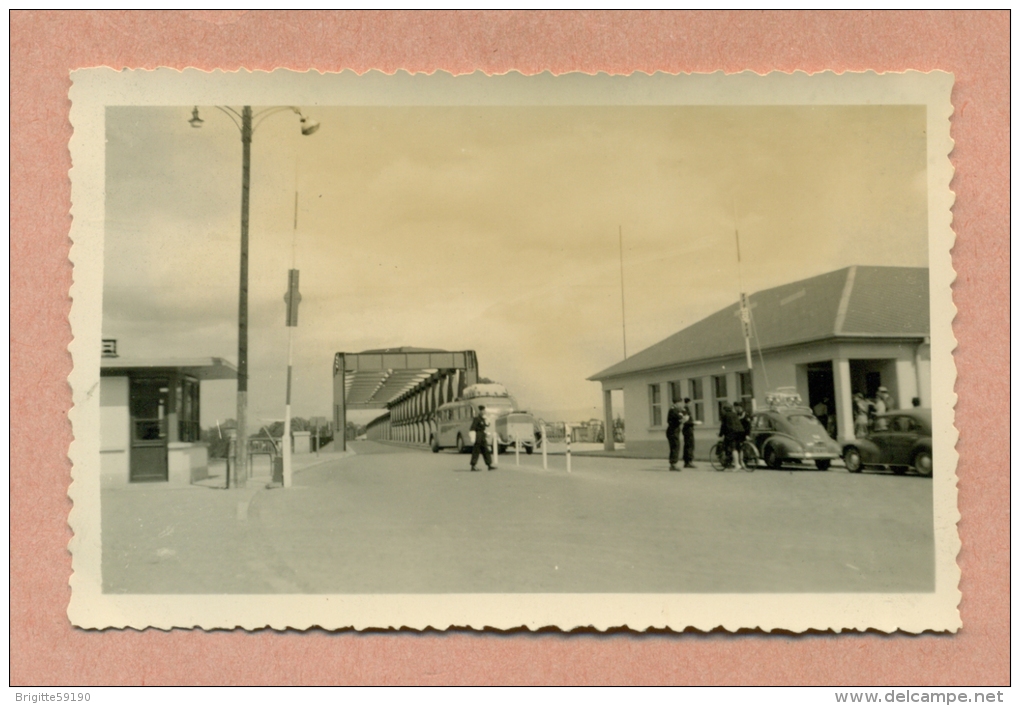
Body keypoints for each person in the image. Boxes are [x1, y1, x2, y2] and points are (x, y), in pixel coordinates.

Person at [469, 405, 495, 471]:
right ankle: (473, 465)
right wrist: (473, 437)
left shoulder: (483, 419)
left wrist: (488, 420)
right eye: (482, 410)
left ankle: (489, 465)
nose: (484, 412)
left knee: (486, 450)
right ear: (480, 411)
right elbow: (472, 428)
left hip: (482, 436)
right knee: (476, 451)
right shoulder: (477, 419)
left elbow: (486, 425)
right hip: (478, 436)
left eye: (484, 410)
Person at [717, 402, 740, 470]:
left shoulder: (725, 415)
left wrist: (720, 434)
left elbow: (723, 426)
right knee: (737, 447)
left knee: (732, 448)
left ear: (725, 410)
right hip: (739, 432)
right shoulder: (734, 414)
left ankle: (737, 465)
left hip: (731, 433)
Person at [666, 402, 683, 471]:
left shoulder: (674, 410)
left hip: (673, 431)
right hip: (673, 431)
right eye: (680, 403)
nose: (681, 405)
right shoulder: (673, 410)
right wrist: (682, 417)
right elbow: (679, 417)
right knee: (675, 446)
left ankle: (673, 464)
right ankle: (673, 464)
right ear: (677, 403)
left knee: (675, 446)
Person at [681, 398, 696, 468]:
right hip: (688, 429)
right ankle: (688, 461)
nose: (691, 404)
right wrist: (693, 422)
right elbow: (685, 420)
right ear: (688, 403)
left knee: (689, 444)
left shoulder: (686, 409)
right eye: (690, 403)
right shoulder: (685, 409)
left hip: (688, 428)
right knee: (689, 444)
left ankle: (688, 461)